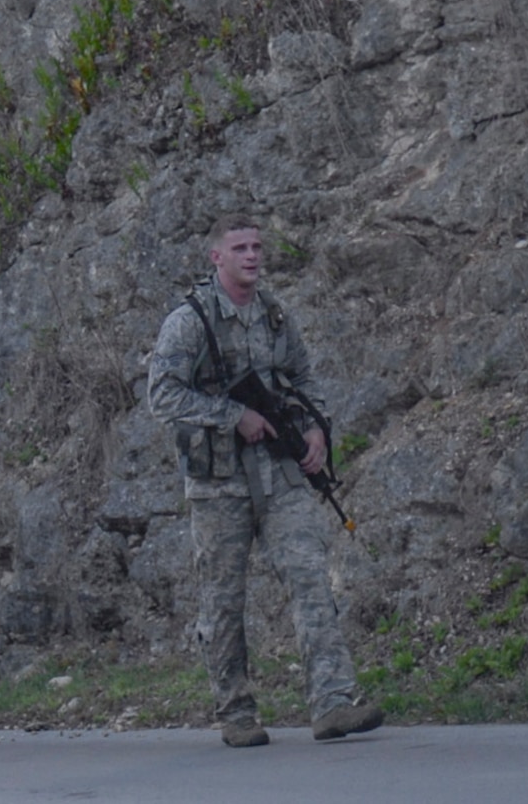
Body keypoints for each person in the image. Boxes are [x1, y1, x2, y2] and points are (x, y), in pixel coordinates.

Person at [147, 216, 383, 748]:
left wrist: (316, 431)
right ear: (217, 258)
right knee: (223, 600)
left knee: (309, 576)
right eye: (240, 248)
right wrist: (233, 416)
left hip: (279, 474)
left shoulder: (275, 315)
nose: (252, 255)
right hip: (219, 484)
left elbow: (303, 376)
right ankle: (236, 713)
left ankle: (333, 703)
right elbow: (161, 396)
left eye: (257, 246)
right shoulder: (190, 322)